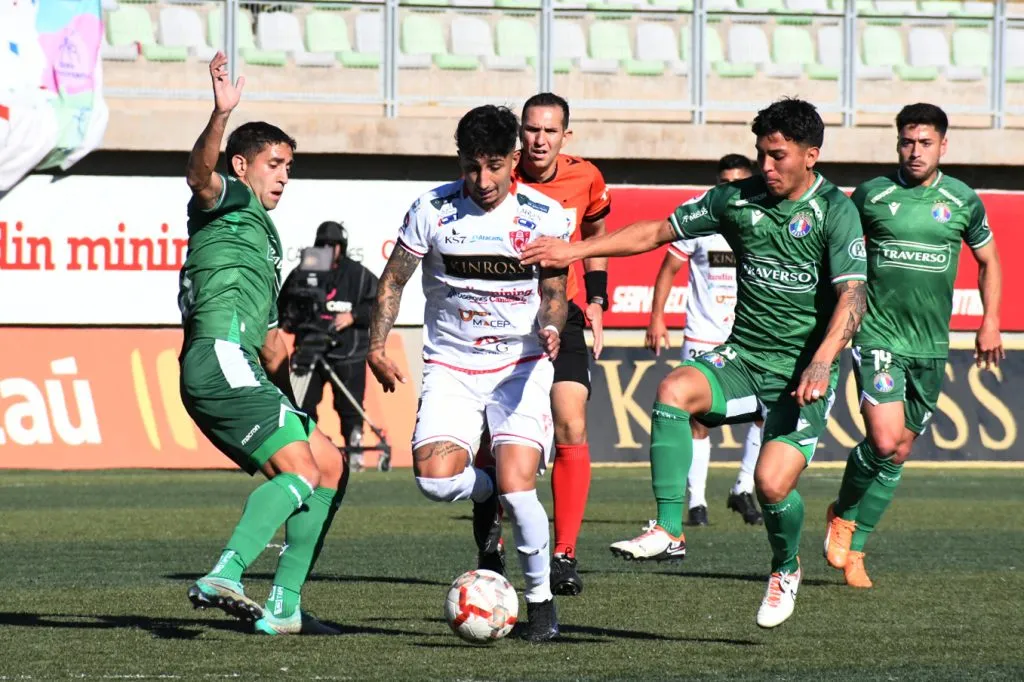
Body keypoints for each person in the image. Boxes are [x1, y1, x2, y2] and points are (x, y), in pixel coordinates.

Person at [521, 98, 868, 629]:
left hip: (803, 375)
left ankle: (785, 566)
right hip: (743, 357)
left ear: (811, 156)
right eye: (761, 155)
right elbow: (655, 232)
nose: (767, 166)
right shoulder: (736, 200)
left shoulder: (835, 213)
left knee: (771, 486)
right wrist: (571, 252)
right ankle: (668, 528)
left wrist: (822, 362)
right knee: (673, 389)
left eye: (778, 156)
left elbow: (852, 299)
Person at [367, 104, 571, 642]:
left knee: (519, 486)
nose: (483, 180)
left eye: (495, 166)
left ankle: (542, 607)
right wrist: (377, 342)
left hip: (521, 366)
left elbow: (554, 295)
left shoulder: (545, 216)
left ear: (515, 160)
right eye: (472, 166)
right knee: (435, 484)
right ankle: (483, 496)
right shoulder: (431, 209)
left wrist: (551, 327)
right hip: (452, 363)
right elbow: (393, 280)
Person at [177, 53, 347, 636]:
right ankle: (227, 571)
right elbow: (200, 175)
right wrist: (220, 114)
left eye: (289, 167)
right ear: (242, 165)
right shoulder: (228, 200)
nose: (283, 175)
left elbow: (271, 343)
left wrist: (283, 370)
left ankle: (284, 606)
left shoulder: (261, 236)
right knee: (298, 468)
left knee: (327, 461)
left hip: (236, 360)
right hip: (218, 356)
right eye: (274, 164)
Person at [824, 103, 1003, 588]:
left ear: (944, 145)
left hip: (931, 345)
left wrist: (990, 321)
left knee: (899, 452)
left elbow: (989, 261)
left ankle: (857, 547)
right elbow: (836, 251)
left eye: (925, 143)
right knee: (884, 439)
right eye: (907, 141)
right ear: (897, 143)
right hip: (878, 335)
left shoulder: (963, 200)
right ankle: (841, 515)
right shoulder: (872, 194)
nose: (915, 150)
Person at [472, 92, 611, 596]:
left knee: (571, 418)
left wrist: (597, 300)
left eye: (550, 131)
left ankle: (565, 553)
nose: (539, 140)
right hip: (502, 321)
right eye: (531, 129)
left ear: (565, 136)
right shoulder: (500, 177)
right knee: (492, 440)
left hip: (563, 313)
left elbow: (596, 235)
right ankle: (492, 542)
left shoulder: (587, 178)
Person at [645, 154, 764, 528]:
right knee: (699, 419)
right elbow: (669, 268)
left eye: (737, 182)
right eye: (723, 182)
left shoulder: (761, 221)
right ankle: (697, 502)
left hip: (749, 336)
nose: (728, 188)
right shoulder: (704, 219)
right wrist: (657, 316)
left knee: (764, 415)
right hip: (704, 333)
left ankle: (743, 488)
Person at [278, 220, 379, 470]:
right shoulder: (304, 271)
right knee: (303, 405)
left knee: (349, 406)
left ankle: (355, 451)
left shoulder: (359, 275)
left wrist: (354, 316)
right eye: (322, 244)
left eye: (332, 245)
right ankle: (308, 450)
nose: (327, 249)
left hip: (348, 350)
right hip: (310, 350)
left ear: (342, 247)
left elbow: (379, 305)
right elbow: (285, 306)